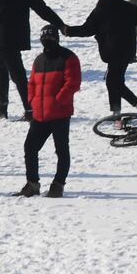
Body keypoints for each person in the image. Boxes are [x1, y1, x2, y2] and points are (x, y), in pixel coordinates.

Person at [17, 25, 81, 198]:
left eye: (51, 38)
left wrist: (59, 100)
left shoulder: (68, 58)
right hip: (40, 114)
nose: (48, 41)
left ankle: (58, 185)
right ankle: (32, 184)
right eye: (45, 38)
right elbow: (31, 84)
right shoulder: (39, 60)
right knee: (30, 147)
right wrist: (31, 102)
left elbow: (72, 83)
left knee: (61, 150)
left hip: (60, 114)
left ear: (57, 39)